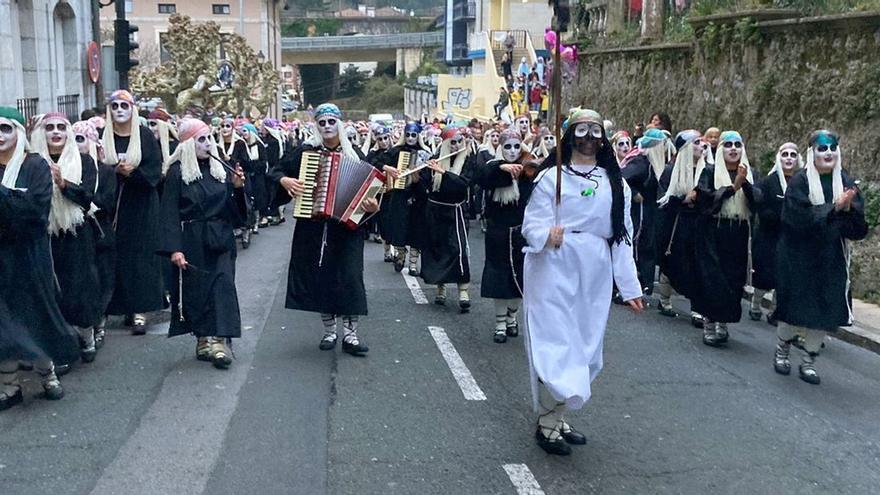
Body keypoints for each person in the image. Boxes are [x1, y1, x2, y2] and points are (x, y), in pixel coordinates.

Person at [521, 108, 643, 456]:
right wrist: (547, 233)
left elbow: (622, 236)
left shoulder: (614, 182)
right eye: (581, 130)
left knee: (585, 347)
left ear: (602, 138)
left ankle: (559, 416)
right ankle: (548, 422)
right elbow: (531, 223)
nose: (588, 137)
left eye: (595, 131)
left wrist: (630, 286)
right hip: (554, 265)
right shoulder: (550, 178)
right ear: (569, 135)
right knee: (556, 343)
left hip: (594, 268)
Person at [271, 104, 380, 355]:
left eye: (332, 122)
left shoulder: (355, 155)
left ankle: (351, 335)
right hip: (314, 226)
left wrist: (372, 207)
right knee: (322, 276)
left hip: (347, 228)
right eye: (322, 122)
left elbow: (373, 190)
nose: (327, 127)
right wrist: (285, 180)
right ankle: (329, 331)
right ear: (316, 126)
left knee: (350, 278)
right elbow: (276, 171)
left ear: (339, 124)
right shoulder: (305, 152)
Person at [0, 107, 79, 410]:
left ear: (18, 133)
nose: (0, 136)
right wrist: (14, 199)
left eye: (6, 128)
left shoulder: (35, 166)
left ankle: (48, 376)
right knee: (4, 320)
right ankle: (8, 385)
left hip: (30, 255)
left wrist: (5, 197)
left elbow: (34, 212)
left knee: (36, 313)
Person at [774, 130, 867, 384]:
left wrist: (848, 211)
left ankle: (808, 361)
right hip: (799, 256)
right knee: (794, 308)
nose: (828, 153)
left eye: (832, 148)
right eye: (822, 149)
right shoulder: (800, 183)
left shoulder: (846, 183)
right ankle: (782, 350)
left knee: (823, 313)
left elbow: (858, 228)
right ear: (812, 152)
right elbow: (796, 220)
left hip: (831, 258)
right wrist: (833, 209)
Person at [158, 118, 247, 369]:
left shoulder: (222, 170)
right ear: (187, 144)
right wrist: (174, 248)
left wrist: (238, 189)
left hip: (220, 236)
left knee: (223, 285)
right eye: (201, 139)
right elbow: (168, 213)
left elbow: (236, 211)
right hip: (192, 239)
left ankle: (220, 341)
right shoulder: (176, 173)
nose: (207, 143)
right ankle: (202, 338)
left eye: (209, 138)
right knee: (197, 290)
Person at [31, 113, 103, 363]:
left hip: (76, 232)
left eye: (61, 127)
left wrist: (63, 184)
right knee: (51, 290)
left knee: (79, 288)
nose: (55, 132)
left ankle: (86, 335)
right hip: (44, 233)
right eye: (49, 128)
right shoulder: (33, 162)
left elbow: (88, 198)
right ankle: (59, 346)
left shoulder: (84, 161)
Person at [102, 90, 164, 335]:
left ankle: (141, 310)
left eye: (124, 105)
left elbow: (154, 172)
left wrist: (132, 174)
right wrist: (113, 171)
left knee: (142, 257)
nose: (119, 110)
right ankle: (119, 307)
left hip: (141, 205)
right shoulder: (102, 136)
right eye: (114, 105)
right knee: (116, 257)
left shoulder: (146, 136)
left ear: (132, 109)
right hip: (113, 205)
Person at [691, 131, 759, 347]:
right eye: (728, 144)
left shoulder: (749, 173)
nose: (733, 149)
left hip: (737, 232)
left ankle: (723, 322)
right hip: (714, 231)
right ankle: (710, 323)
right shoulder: (710, 172)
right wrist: (732, 188)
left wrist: (744, 184)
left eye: (737, 145)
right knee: (714, 278)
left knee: (733, 279)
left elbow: (759, 203)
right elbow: (705, 201)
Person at [475, 129, 537, 343]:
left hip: (521, 232)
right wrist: (501, 166)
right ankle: (500, 323)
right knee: (499, 278)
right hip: (497, 232)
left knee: (519, 279)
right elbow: (482, 177)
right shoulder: (493, 168)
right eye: (507, 146)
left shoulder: (528, 169)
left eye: (516, 146)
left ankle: (512, 316)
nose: (512, 151)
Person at [420, 126, 475, 312]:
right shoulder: (435, 159)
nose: (457, 145)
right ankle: (440, 289)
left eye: (460, 141)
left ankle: (463, 292)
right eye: (453, 142)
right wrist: (414, 176)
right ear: (445, 143)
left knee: (458, 249)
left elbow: (464, 184)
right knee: (438, 249)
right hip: (435, 211)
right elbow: (424, 185)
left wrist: (443, 173)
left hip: (456, 211)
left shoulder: (468, 160)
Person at [72, 119, 116, 349]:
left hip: (100, 234)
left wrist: (85, 201)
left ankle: (99, 321)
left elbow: (107, 202)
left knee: (103, 280)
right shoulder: (67, 169)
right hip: (77, 238)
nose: (76, 144)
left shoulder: (106, 172)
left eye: (81, 139)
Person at [655, 130, 706, 327]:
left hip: (699, 225)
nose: (702, 146)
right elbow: (663, 200)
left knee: (698, 266)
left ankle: (697, 308)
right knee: (671, 264)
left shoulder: (707, 171)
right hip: (676, 225)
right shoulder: (671, 171)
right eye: (696, 142)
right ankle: (665, 300)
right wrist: (684, 198)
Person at [749, 142, 802, 324]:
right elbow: (761, 208)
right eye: (785, 154)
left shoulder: (801, 183)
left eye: (793, 155)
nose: (789, 158)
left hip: (790, 239)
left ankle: (774, 311)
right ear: (779, 158)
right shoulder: (767, 182)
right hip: (768, 236)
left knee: (784, 277)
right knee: (764, 275)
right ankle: (756, 304)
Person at [620, 128, 667, 295]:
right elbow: (621, 177)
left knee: (647, 245)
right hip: (640, 212)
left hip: (650, 211)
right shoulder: (641, 163)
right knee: (639, 245)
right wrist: (633, 194)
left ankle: (644, 283)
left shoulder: (653, 164)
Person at [384, 122, 423, 272]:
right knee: (398, 227)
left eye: (413, 135)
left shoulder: (425, 152)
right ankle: (400, 255)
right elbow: (378, 161)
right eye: (407, 134)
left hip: (418, 195)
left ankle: (413, 263)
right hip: (400, 194)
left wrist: (418, 178)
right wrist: (388, 168)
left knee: (416, 228)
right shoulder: (396, 151)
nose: (410, 138)